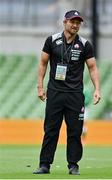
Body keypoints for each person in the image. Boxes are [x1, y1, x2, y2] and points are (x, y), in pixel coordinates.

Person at [33, 10, 101, 175]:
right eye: (73, 22)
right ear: (65, 22)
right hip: (55, 93)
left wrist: (97, 89)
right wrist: (40, 87)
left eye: (78, 23)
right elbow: (43, 63)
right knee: (50, 130)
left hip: (75, 95)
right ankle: (44, 165)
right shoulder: (52, 40)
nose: (75, 25)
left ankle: (73, 165)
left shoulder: (85, 44)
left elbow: (92, 67)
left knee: (75, 131)